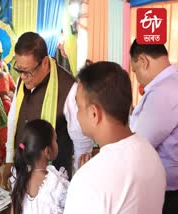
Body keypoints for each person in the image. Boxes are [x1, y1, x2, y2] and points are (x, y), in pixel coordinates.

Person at [64, 61, 166, 214]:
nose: (77, 115)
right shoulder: (151, 154)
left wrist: (90, 172)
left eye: (78, 107)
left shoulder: (87, 180)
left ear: (94, 114)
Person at [4, 32, 93, 186]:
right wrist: (9, 160)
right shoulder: (22, 80)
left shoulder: (69, 89)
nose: (23, 77)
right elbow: (13, 120)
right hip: (22, 173)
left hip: (53, 183)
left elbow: (82, 142)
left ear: (45, 63)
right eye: (19, 70)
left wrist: (80, 185)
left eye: (27, 71)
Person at [129, 39, 178, 214]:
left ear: (143, 61)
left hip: (170, 195)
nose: (137, 77)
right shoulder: (172, 81)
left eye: (134, 71)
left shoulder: (163, 92)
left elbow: (139, 144)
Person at [11, 119, 69, 214]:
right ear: (47, 151)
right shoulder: (57, 185)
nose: (57, 143)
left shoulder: (20, 179)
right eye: (55, 140)